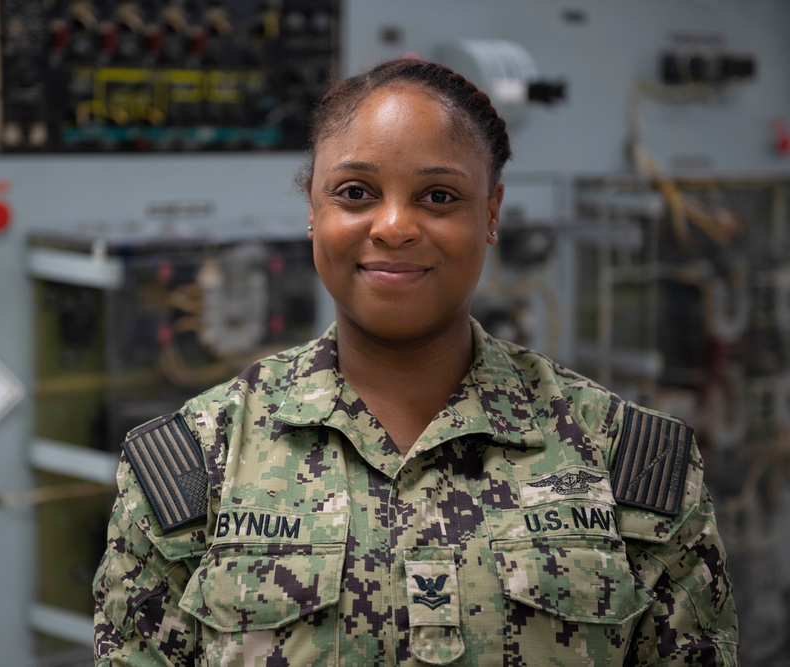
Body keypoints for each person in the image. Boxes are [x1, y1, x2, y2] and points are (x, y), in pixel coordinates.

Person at [93, 58, 738, 665]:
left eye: (437, 197)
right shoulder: (195, 468)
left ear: (490, 213)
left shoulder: (630, 461)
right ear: (313, 214)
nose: (395, 225)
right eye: (354, 192)